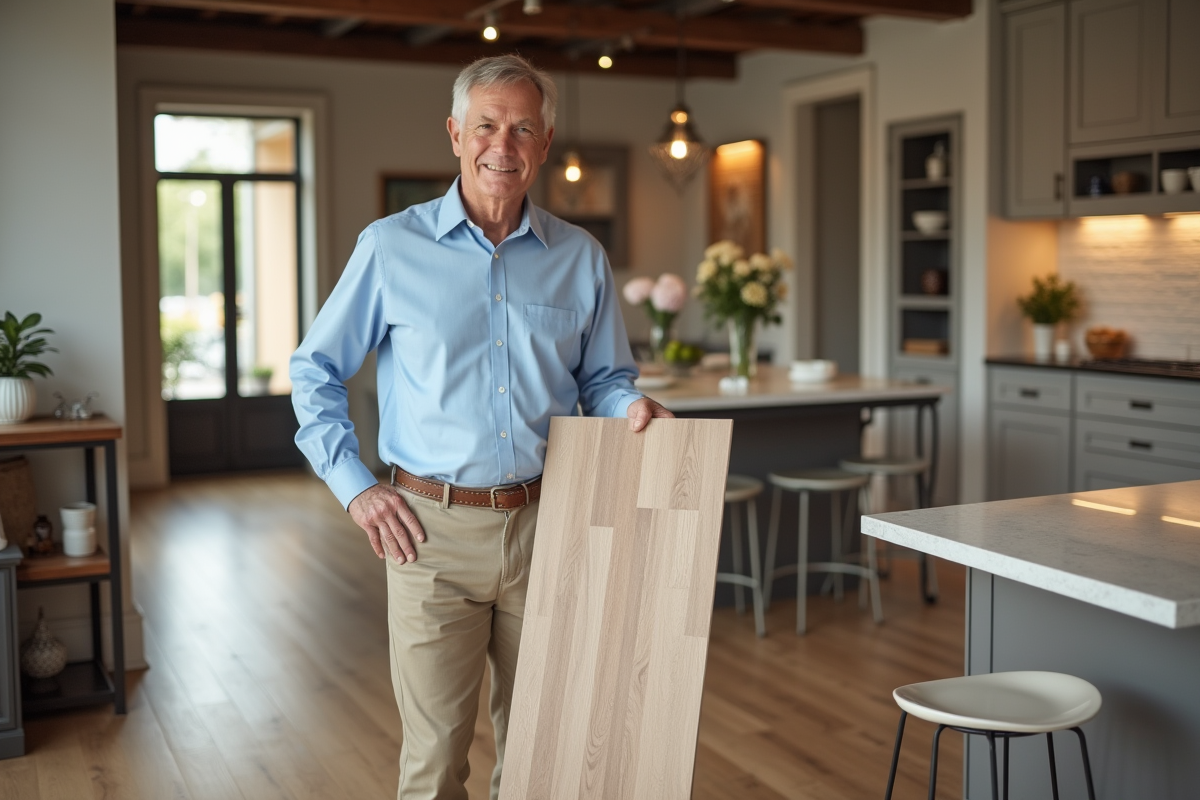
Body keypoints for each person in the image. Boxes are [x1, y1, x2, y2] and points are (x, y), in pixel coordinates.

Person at [290, 54, 673, 800]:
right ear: (456, 135)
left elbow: (603, 379)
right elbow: (314, 372)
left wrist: (630, 405)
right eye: (488, 126)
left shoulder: (581, 259)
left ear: (546, 141)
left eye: (523, 128)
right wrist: (356, 488)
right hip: (429, 535)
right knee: (434, 767)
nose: (505, 144)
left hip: (552, 526)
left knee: (544, 750)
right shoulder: (389, 247)